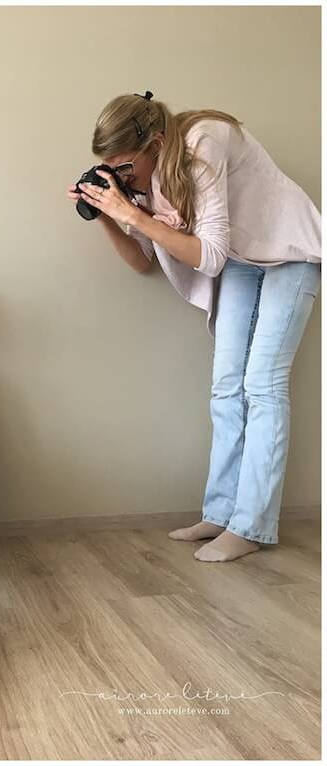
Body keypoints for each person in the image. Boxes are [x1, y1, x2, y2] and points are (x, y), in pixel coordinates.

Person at [68, 91, 321, 563]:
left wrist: (134, 214)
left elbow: (209, 256)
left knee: (263, 385)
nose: (124, 178)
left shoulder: (204, 140)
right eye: (114, 169)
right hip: (246, 261)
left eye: (126, 167)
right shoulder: (149, 180)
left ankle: (252, 526)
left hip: (291, 253)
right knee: (226, 386)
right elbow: (143, 262)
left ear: (157, 142)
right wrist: (109, 216)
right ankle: (222, 513)